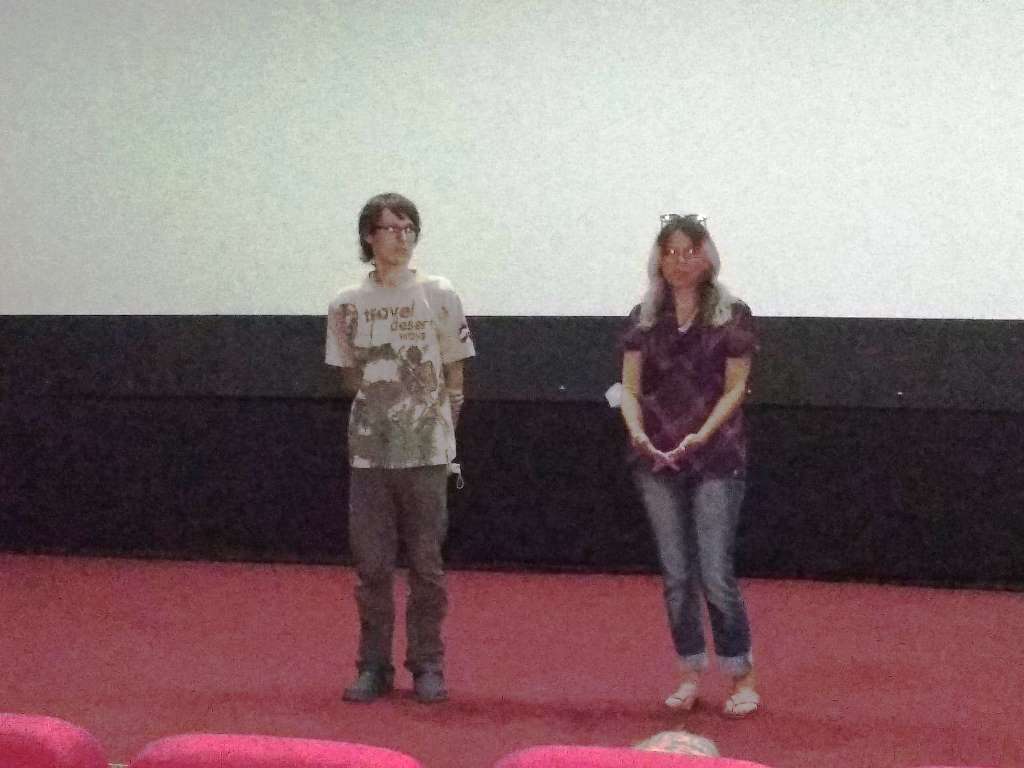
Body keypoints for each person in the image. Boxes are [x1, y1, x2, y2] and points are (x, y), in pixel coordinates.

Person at [325, 193, 475, 704]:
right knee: (372, 567)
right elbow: (349, 376)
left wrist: (443, 431)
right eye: (391, 228)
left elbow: (455, 373)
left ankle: (427, 663)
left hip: (427, 451)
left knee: (427, 566)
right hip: (371, 453)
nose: (401, 237)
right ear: (369, 236)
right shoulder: (346, 303)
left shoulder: (439, 293)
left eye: (409, 228)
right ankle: (373, 665)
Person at [619, 213, 761, 717]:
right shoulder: (643, 317)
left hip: (716, 457)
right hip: (656, 459)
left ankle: (741, 675)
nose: (680, 261)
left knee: (715, 573)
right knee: (676, 575)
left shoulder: (732, 315)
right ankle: (689, 670)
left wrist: (702, 434)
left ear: (708, 256)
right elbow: (628, 388)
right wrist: (637, 432)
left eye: (690, 251)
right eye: (671, 252)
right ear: (659, 258)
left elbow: (736, 389)